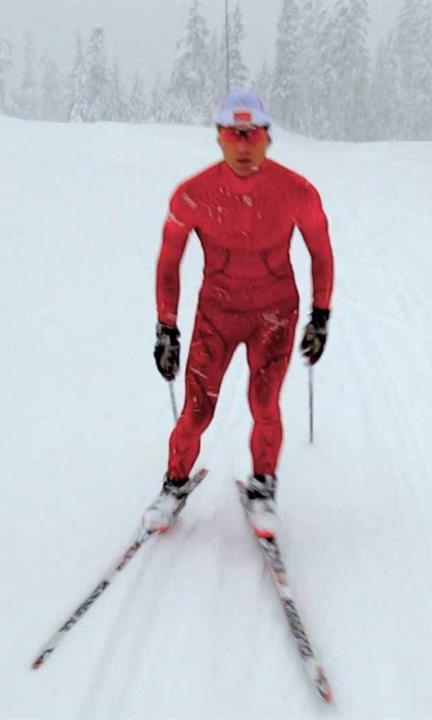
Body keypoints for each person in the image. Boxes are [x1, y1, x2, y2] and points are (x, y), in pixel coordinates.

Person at [142, 90, 334, 538]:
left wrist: (320, 316)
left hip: (275, 316)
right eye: (234, 135)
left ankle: (263, 489)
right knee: (195, 412)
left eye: (253, 135)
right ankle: (173, 485)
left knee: (264, 404)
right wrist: (166, 328)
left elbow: (321, 253)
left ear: (268, 138)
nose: (244, 146)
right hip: (217, 315)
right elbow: (168, 262)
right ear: (219, 138)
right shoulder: (192, 195)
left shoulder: (296, 192)